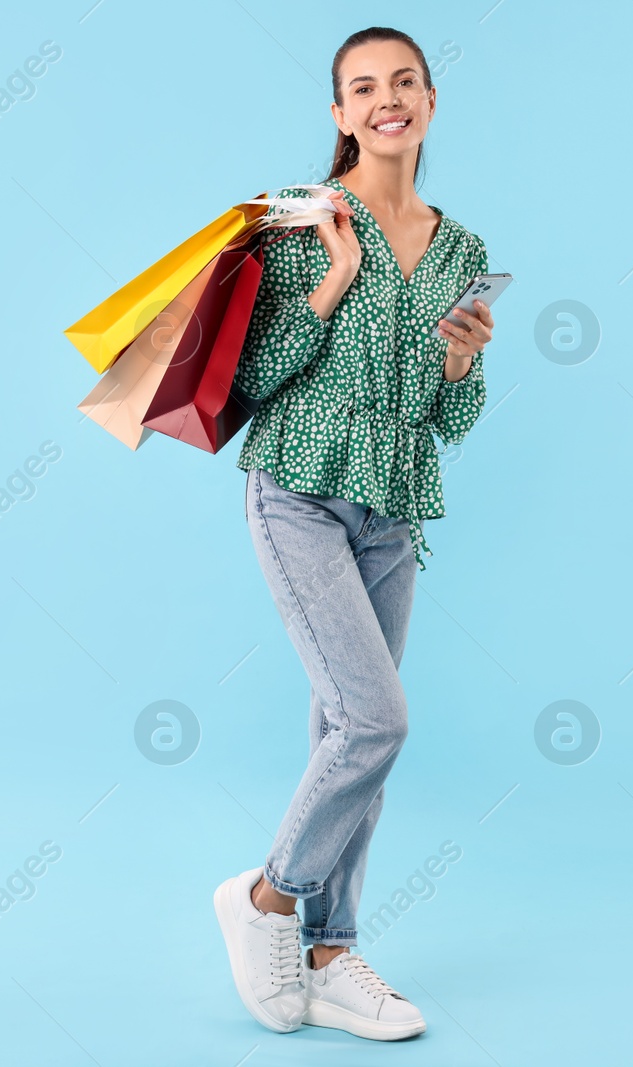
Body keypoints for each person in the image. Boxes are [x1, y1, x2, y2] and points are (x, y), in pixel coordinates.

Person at [211, 26, 496, 1042]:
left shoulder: (460, 249)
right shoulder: (303, 218)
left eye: (403, 82)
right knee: (377, 720)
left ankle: (331, 951)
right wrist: (329, 280)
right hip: (297, 487)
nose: (386, 100)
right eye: (362, 87)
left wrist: (460, 364)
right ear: (340, 114)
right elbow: (249, 380)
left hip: (392, 502)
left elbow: (442, 416)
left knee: (346, 733)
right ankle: (266, 902)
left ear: (428, 99)